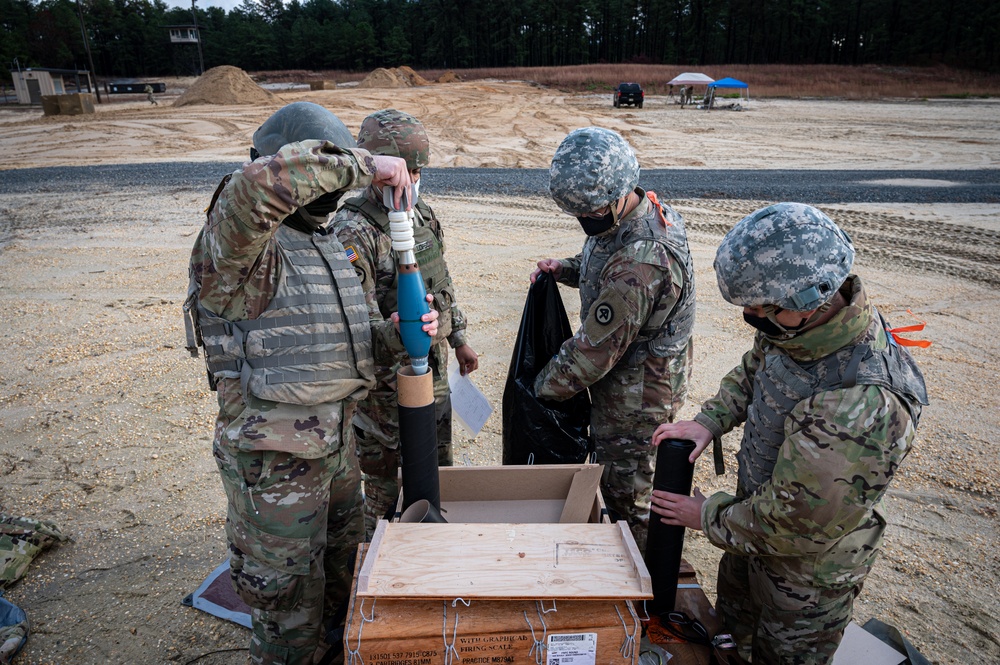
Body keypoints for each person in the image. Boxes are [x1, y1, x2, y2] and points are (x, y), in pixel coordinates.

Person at [183, 101, 437, 665]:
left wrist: (396, 334)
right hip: (276, 464)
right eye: (331, 168)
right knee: (288, 609)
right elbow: (258, 187)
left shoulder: (322, 242)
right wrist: (369, 163)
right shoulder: (242, 244)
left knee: (343, 581)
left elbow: (346, 340)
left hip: (336, 446)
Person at [649, 203, 928, 664]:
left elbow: (796, 521)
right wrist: (709, 421)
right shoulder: (798, 329)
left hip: (803, 585)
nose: (754, 317)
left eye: (762, 307)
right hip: (751, 539)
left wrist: (707, 515)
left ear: (812, 297)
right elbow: (757, 368)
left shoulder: (861, 403)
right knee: (733, 639)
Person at [531, 126, 696, 551]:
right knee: (615, 484)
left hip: (637, 398)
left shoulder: (643, 256)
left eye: (593, 211)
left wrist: (538, 389)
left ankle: (638, 591)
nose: (587, 220)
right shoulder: (629, 215)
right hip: (627, 381)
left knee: (626, 497)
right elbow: (605, 264)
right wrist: (565, 269)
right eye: (579, 213)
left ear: (622, 192)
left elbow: (592, 353)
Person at [331, 109, 479, 537]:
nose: (411, 179)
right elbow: (355, 328)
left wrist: (460, 338)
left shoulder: (424, 216)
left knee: (436, 475)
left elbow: (441, 284)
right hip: (385, 396)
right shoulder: (353, 232)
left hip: (432, 379)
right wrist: (398, 333)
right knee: (384, 491)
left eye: (417, 169)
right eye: (402, 169)